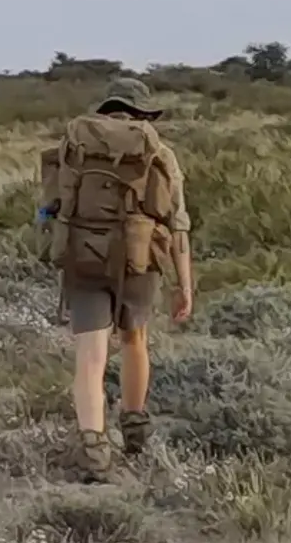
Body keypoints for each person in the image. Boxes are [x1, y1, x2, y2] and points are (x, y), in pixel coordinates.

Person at [39, 76, 194, 480]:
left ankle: (94, 451)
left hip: (83, 254)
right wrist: (184, 285)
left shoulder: (73, 145)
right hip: (138, 257)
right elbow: (177, 225)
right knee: (134, 340)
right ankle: (134, 427)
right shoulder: (159, 151)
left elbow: (51, 205)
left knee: (90, 356)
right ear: (142, 113)